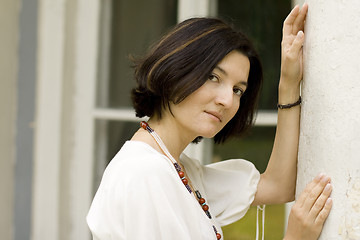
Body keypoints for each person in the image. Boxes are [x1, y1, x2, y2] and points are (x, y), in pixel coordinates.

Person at [87, 4, 332, 240]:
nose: (227, 100)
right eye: (213, 77)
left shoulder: (179, 170)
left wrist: (289, 84)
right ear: (177, 70)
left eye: (238, 90)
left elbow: (278, 186)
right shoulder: (146, 173)